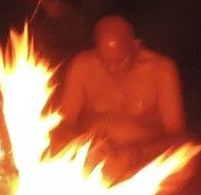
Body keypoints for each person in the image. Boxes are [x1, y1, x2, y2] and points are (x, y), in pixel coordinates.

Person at [55, 14, 185, 172]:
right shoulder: (83, 64)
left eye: (120, 60)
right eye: (105, 60)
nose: (112, 68)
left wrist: (135, 153)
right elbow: (62, 125)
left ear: (135, 45)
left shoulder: (161, 69)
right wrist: (84, 145)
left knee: (186, 161)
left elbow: (177, 136)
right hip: (92, 157)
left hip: (143, 159)